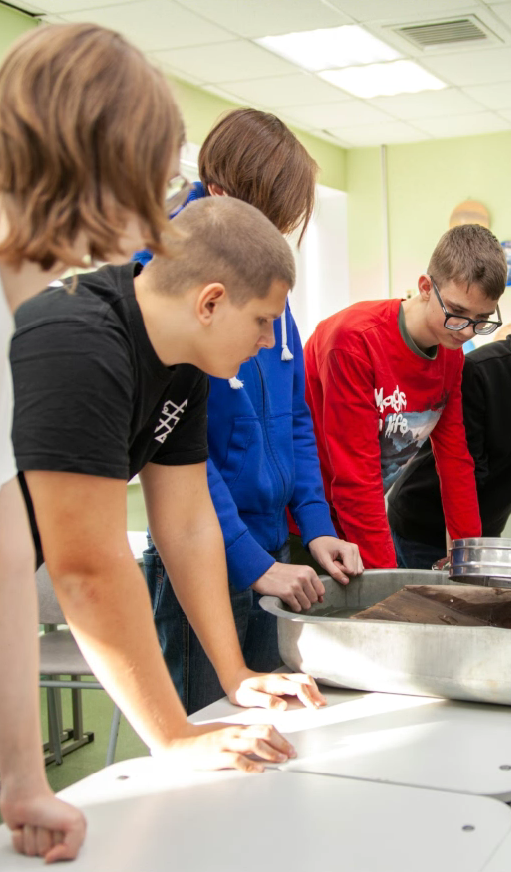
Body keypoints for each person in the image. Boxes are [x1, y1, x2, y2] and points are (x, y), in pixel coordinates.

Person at [11, 198, 329, 802]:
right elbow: (87, 566)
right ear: (210, 302)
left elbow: (186, 524)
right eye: (262, 321)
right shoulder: (82, 340)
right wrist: (174, 736)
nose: (269, 342)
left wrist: (236, 677)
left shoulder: (184, 363)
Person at [0, 21, 185, 863]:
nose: (159, 201)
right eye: (154, 169)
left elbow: (8, 551)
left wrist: (20, 781)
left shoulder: (26, 307)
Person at [138, 108, 362, 714]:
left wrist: (314, 523)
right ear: (219, 196)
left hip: (273, 550)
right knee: (213, 726)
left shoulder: (263, 285)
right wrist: (249, 560)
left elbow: (294, 417)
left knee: (274, 721)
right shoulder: (161, 287)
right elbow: (179, 463)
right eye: (266, 219)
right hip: (208, 551)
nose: (273, 237)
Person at [303, 224, 507, 568]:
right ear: (426, 287)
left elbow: (456, 460)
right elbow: (357, 479)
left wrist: (468, 560)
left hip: (359, 521)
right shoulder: (353, 341)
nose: (469, 331)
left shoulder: (451, 355)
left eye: (482, 319)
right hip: (307, 525)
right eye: (457, 314)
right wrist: (387, 578)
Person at [388, 281, 511, 568]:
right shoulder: (479, 373)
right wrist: (461, 554)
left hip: (485, 526)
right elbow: (462, 472)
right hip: (425, 521)